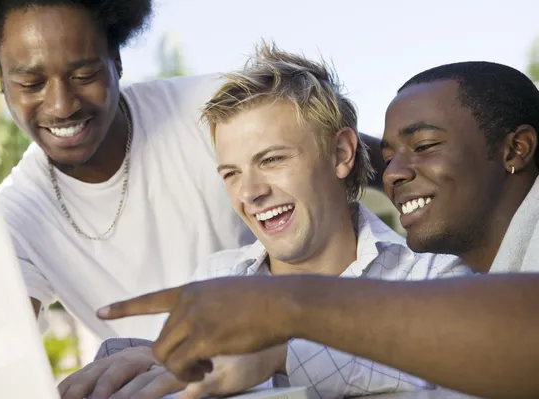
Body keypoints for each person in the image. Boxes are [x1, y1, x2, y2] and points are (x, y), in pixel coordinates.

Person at [0, 1, 386, 398]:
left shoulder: (205, 113)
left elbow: (358, 154)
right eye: (31, 83)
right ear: (1, 81)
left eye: (84, 74)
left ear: (115, 60)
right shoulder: (12, 221)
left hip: (320, 352)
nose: (60, 104)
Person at [97, 61, 539, 399]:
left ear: (343, 153)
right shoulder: (214, 278)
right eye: (230, 173)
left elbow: (472, 367)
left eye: (272, 160)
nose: (249, 192)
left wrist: (285, 351)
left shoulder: (432, 277)